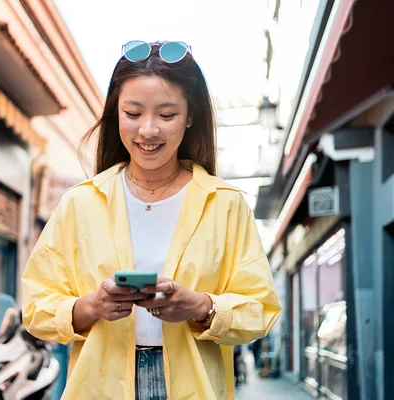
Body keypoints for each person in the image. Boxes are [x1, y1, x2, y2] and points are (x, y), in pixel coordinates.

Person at [21, 40, 281, 400]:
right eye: (133, 113)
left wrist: (202, 307)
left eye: (166, 114)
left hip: (194, 387)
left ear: (190, 117)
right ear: (116, 114)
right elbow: (35, 308)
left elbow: (261, 309)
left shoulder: (226, 205)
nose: (148, 130)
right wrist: (90, 306)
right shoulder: (79, 204)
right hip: (99, 386)